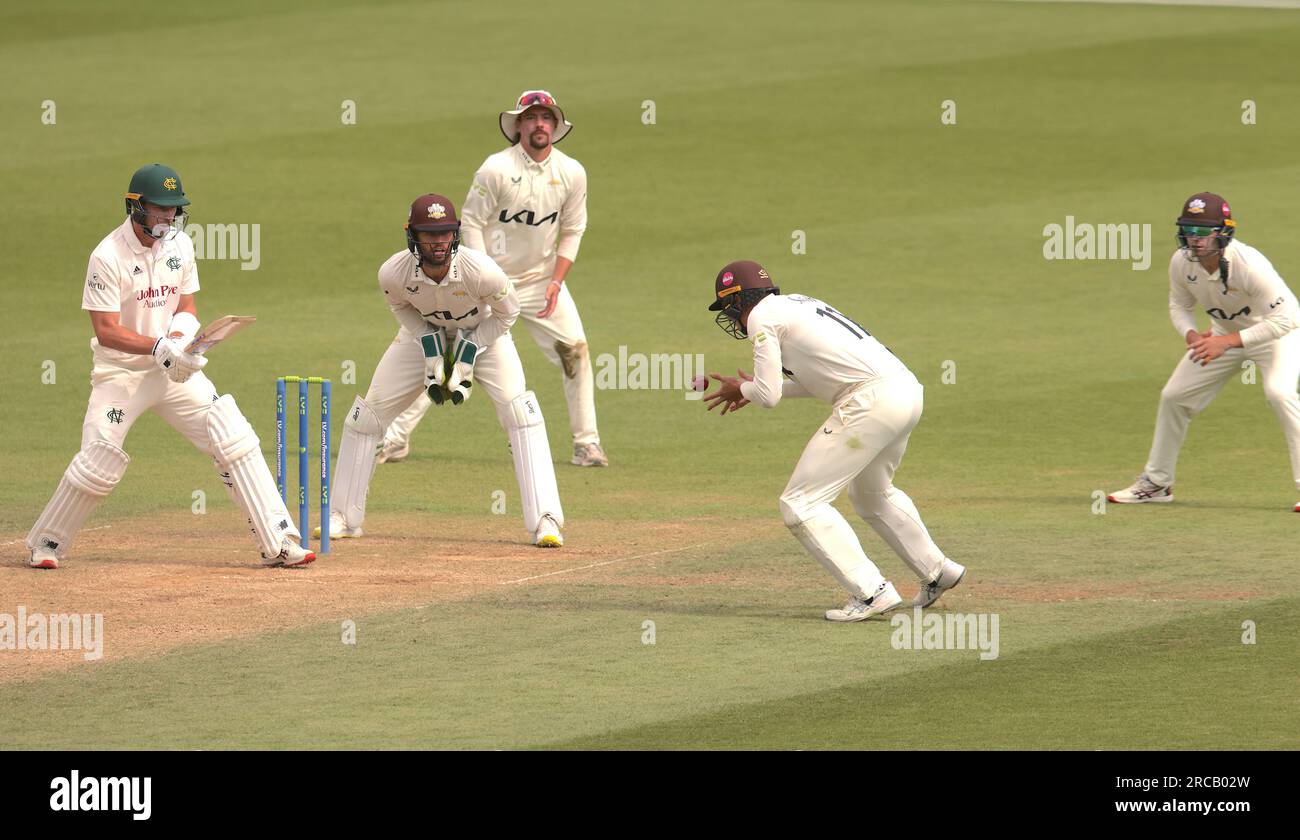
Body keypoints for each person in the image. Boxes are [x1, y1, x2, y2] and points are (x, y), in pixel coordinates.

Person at [26, 163, 313, 569]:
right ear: (136, 207)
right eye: (160, 209)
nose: (168, 218)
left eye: (174, 210)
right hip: (121, 375)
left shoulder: (180, 244)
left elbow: (187, 306)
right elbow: (106, 330)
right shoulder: (107, 256)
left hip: (173, 372)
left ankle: (279, 541)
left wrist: (180, 344)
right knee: (98, 459)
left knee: (231, 433)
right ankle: (46, 542)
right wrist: (159, 347)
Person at [701, 260, 965, 621]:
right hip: (904, 392)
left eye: (728, 309)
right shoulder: (798, 303)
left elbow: (769, 396)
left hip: (870, 403)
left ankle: (871, 592)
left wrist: (744, 388)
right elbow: (819, 379)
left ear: (737, 301)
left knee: (800, 503)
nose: (730, 320)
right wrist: (754, 389)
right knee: (871, 494)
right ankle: (938, 571)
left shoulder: (762, 319)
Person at [377, 90, 608, 468]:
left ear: (555, 125)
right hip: (485, 283)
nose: (539, 124)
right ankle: (396, 438)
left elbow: (573, 228)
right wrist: (482, 274)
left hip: (541, 283)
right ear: (518, 125)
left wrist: (556, 281)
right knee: (445, 351)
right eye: (531, 117)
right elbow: (470, 221)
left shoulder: (572, 172)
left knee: (576, 351)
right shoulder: (495, 169)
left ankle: (587, 443)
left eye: (546, 118)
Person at [319, 193, 565, 547]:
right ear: (412, 236)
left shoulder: (481, 271)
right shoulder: (393, 272)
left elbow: (508, 315)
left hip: (486, 335)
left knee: (520, 413)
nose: (438, 242)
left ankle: (546, 520)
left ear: (456, 234)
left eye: (445, 233)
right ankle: (342, 515)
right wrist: (426, 339)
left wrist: (472, 346)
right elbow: (400, 307)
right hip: (421, 335)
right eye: (429, 235)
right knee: (365, 417)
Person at [1109, 192, 1300, 509]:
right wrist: (1191, 335)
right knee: (1174, 396)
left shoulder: (1249, 265)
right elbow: (1179, 305)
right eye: (1189, 231)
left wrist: (1224, 341)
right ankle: (1157, 483)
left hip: (1276, 336)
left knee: (1279, 393)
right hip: (1222, 337)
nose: (1194, 240)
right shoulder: (1182, 263)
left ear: (1222, 232)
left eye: (1202, 232)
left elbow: (1290, 317)